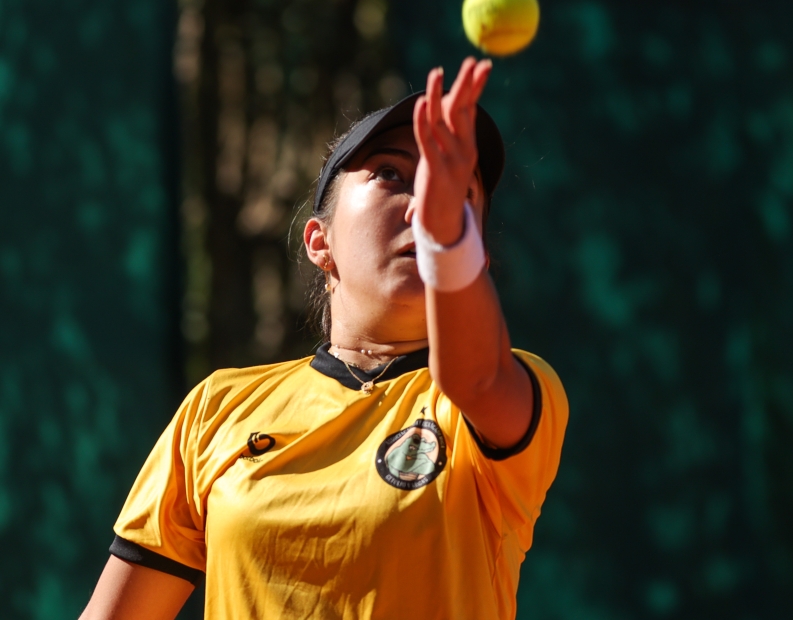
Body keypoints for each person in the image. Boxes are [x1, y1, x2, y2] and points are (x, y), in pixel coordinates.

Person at [80, 57, 569, 619]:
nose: (427, 201)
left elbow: (475, 376)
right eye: (391, 173)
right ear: (320, 241)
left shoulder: (505, 393)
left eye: (458, 189)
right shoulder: (217, 409)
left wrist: (445, 235)